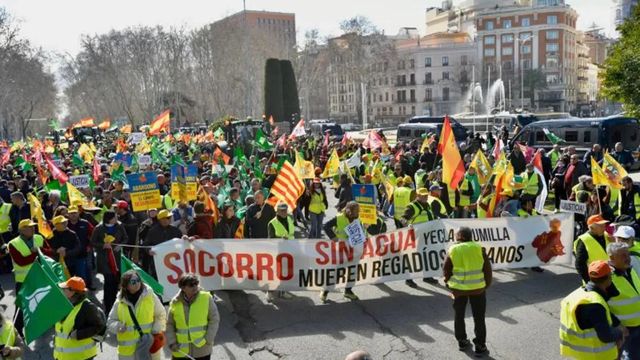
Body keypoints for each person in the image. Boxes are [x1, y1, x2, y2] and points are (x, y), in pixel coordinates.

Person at [559, 260, 624, 360]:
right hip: (597, 355)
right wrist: (619, 333)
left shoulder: (578, 294)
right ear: (609, 278)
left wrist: (616, 322)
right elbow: (606, 336)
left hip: (579, 353)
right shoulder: (595, 303)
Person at [443, 227, 492, 356]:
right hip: (478, 289)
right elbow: (487, 270)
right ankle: (480, 346)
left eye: (456, 234)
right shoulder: (479, 248)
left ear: (461, 236)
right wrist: (485, 285)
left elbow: (446, 269)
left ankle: (462, 341)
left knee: (459, 315)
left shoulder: (453, 249)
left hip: (458, 290)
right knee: (479, 317)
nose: (454, 236)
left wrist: (449, 284)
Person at [106, 270, 166, 360]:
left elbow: (161, 314)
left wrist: (155, 331)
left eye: (138, 280)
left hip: (148, 347)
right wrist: (118, 326)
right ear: (126, 286)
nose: (137, 283)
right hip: (127, 354)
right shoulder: (119, 302)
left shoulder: (150, 296)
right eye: (133, 282)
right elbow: (110, 321)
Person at [7, 219, 50, 335]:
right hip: (23, 280)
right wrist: (37, 253)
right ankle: (18, 329)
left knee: (41, 302)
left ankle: (40, 325)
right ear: (21, 230)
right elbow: (21, 261)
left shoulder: (38, 237)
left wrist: (40, 251)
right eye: (29, 227)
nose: (33, 228)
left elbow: (49, 251)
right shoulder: (13, 243)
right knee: (21, 307)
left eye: (33, 226)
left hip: (40, 277)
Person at [166, 274, 220, 360]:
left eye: (196, 283)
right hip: (180, 351)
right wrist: (172, 342)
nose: (195, 286)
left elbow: (214, 319)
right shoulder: (175, 302)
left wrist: (208, 339)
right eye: (191, 285)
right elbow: (169, 324)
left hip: (202, 349)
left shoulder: (206, 297)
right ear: (183, 288)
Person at [54, 277, 106, 360]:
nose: (62, 290)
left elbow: (98, 326)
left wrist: (79, 334)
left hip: (81, 356)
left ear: (72, 291)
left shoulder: (87, 307)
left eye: (64, 289)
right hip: (62, 356)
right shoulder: (65, 304)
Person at [321, 201, 363, 303]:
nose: (358, 213)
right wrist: (333, 237)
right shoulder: (339, 218)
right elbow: (326, 226)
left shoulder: (357, 218)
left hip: (353, 249)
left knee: (352, 271)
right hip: (341, 249)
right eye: (356, 211)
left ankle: (348, 291)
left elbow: (360, 231)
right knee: (337, 272)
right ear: (349, 211)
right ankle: (325, 291)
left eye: (358, 211)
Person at [606, 242, 640, 359]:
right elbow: (601, 305)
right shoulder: (607, 278)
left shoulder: (630, 269)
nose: (628, 258)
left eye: (628, 254)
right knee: (627, 356)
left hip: (637, 324)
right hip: (625, 328)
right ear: (612, 258)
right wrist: (617, 325)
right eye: (623, 256)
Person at [91, 210, 128, 316]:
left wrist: (120, 245)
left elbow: (126, 238)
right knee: (108, 282)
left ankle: (118, 302)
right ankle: (108, 306)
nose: (117, 219)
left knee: (117, 280)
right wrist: (103, 245)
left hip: (117, 258)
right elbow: (93, 242)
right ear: (109, 219)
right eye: (115, 217)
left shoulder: (120, 226)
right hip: (105, 259)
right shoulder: (98, 228)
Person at [575, 215, 613, 284]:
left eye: (604, 225)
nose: (604, 228)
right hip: (595, 280)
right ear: (592, 228)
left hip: (608, 277)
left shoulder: (605, 235)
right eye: (601, 226)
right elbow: (580, 265)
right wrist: (589, 282)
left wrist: (615, 242)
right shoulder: (584, 240)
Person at [145, 210, 183, 278]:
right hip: (157, 264)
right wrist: (148, 251)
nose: (166, 220)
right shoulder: (152, 231)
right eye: (164, 218)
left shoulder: (176, 230)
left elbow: (182, 242)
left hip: (173, 263)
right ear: (159, 219)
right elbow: (146, 245)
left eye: (168, 218)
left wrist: (185, 238)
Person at [67, 205, 95, 289]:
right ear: (68, 215)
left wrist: (90, 245)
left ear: (78, 213)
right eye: (71, 213)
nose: (73, 215)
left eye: (75, 213)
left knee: (84, 272)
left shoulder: (85, 223)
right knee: (70, 274)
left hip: (83, 252)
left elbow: (93, 235)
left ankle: (86, 287)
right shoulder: (65, 224)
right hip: (69, 254)